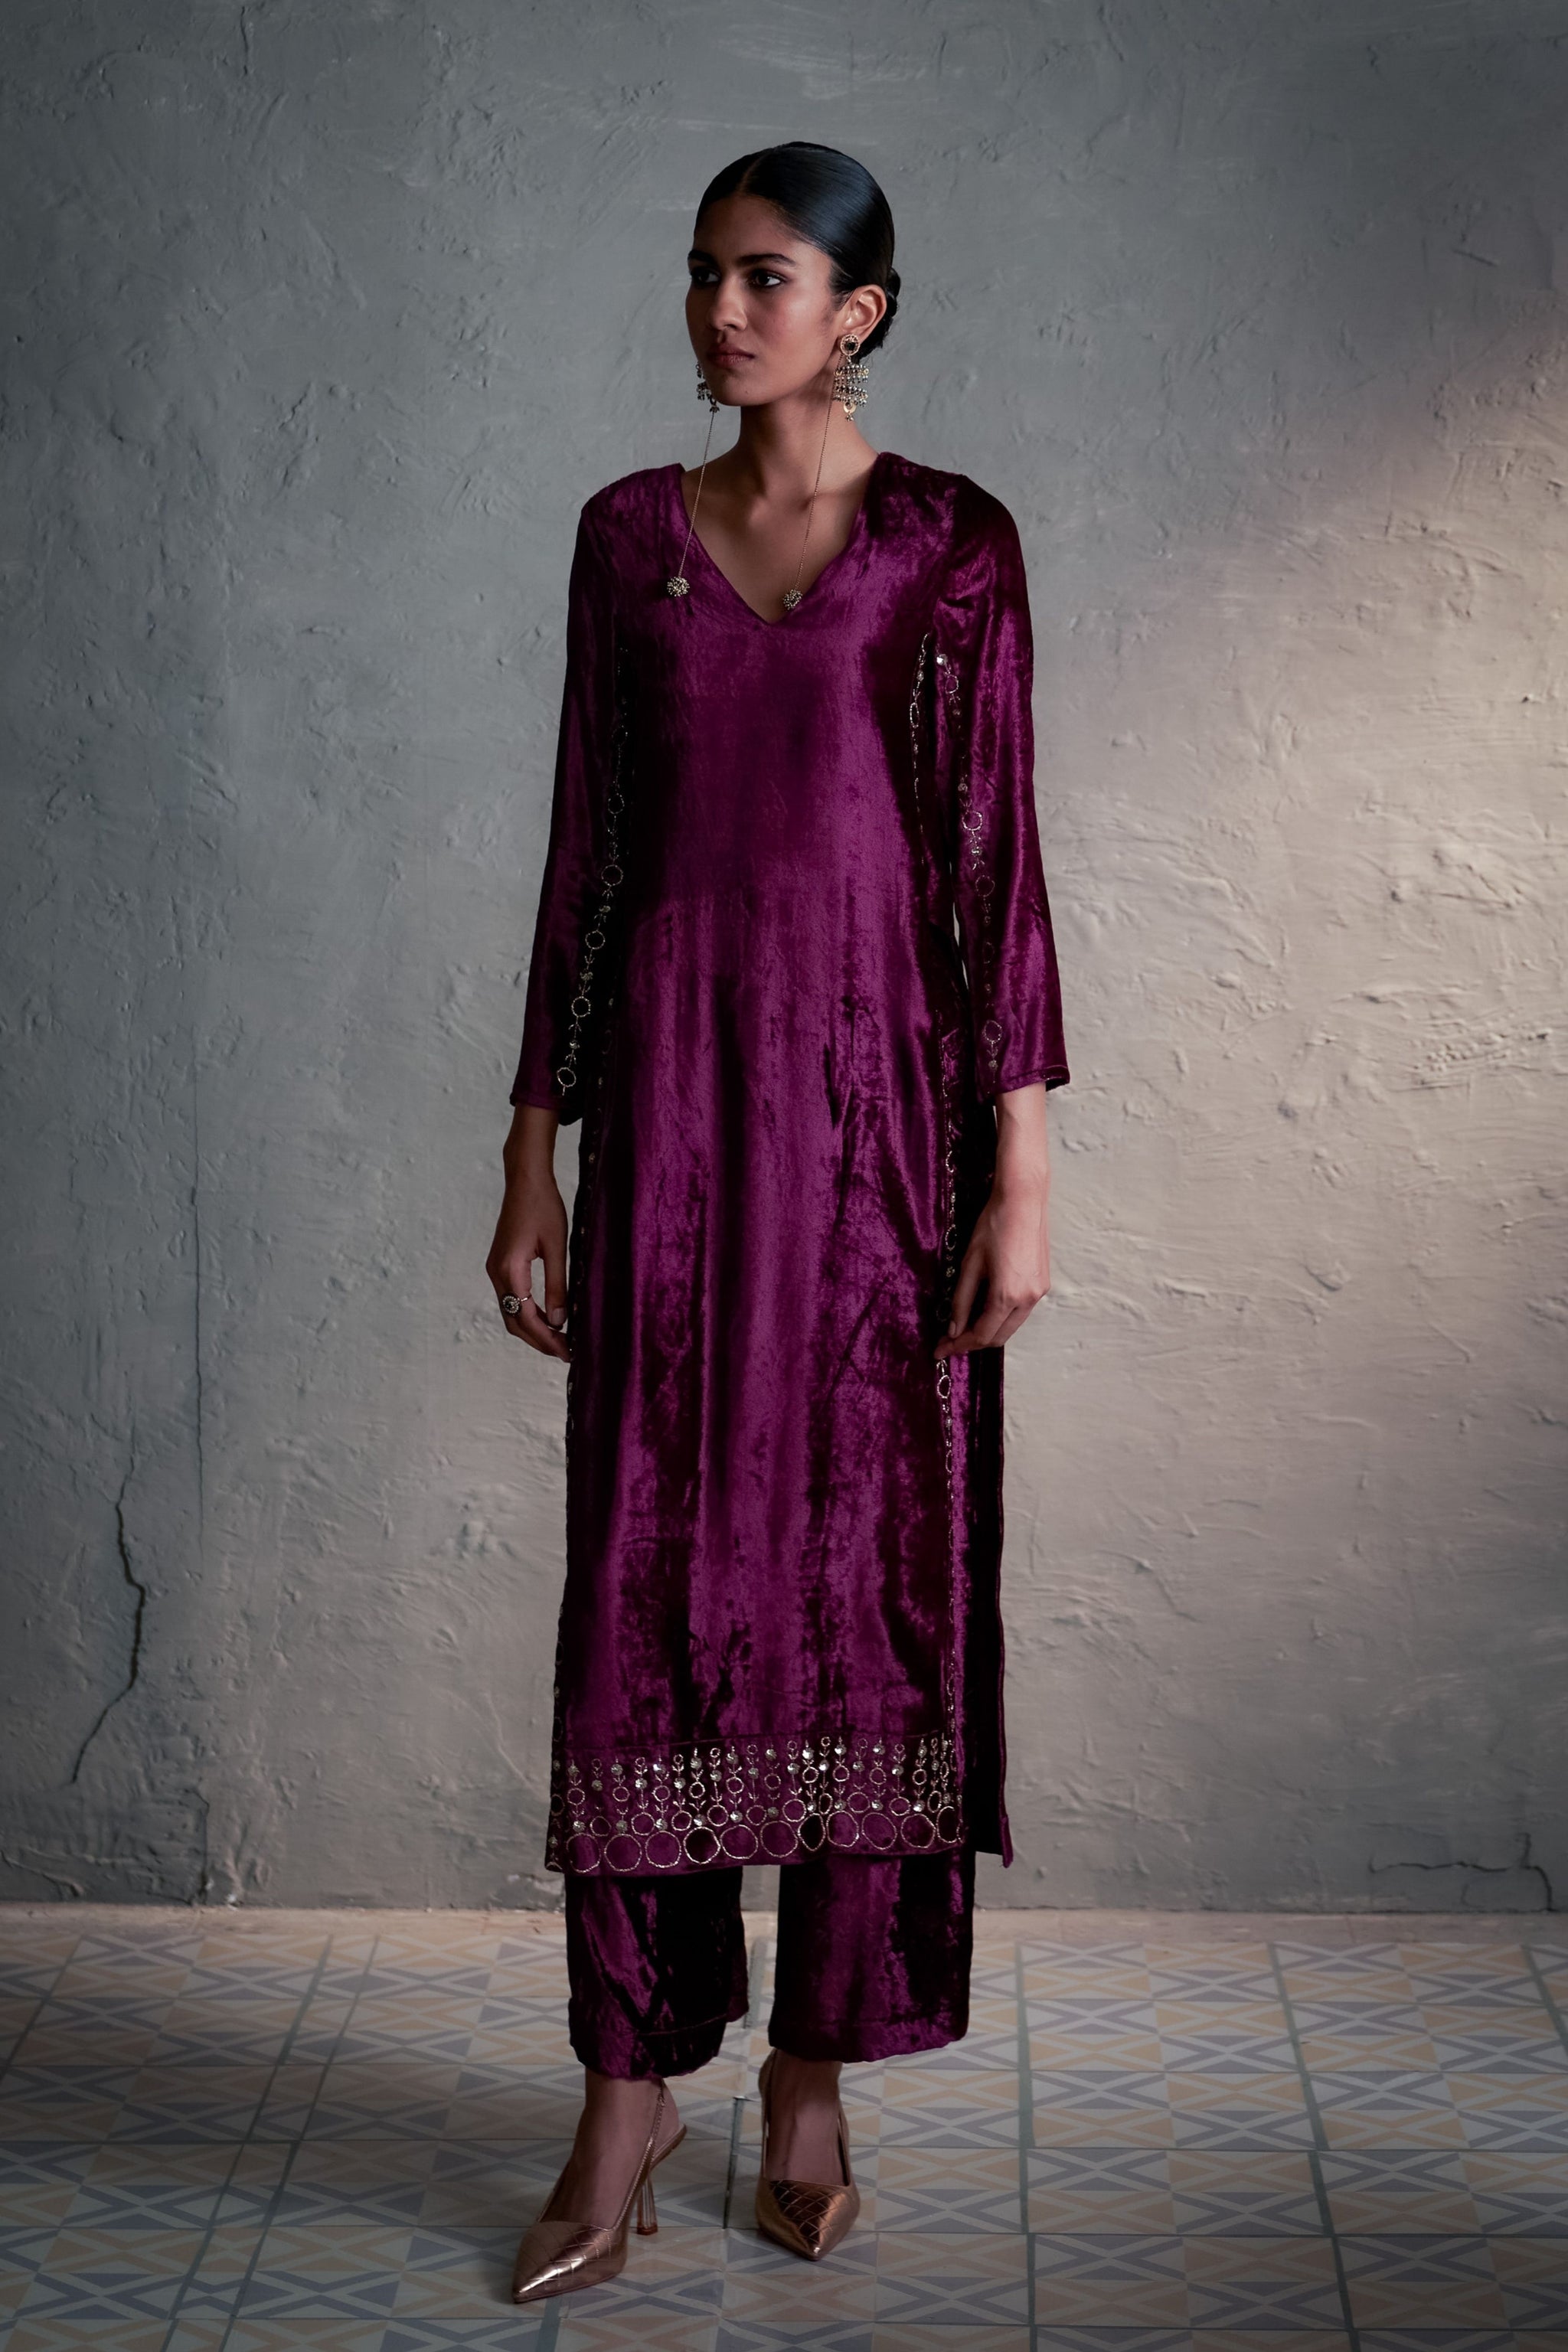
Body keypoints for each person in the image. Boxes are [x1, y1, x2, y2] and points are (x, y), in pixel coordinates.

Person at [486, 139, 1070, 2305]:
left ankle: (810, 2083)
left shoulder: (950, 546)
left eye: (770, 278)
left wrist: (1020, 1173)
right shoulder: (627, 539)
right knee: (648, 1589)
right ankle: (625, 2094)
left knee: (866, 1589)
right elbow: (588, 846)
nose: (725, 310)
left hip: (883, 1137)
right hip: (667, 1121)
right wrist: (534, 1147)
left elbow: (995, 861)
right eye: (706, 274)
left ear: (860, 312)